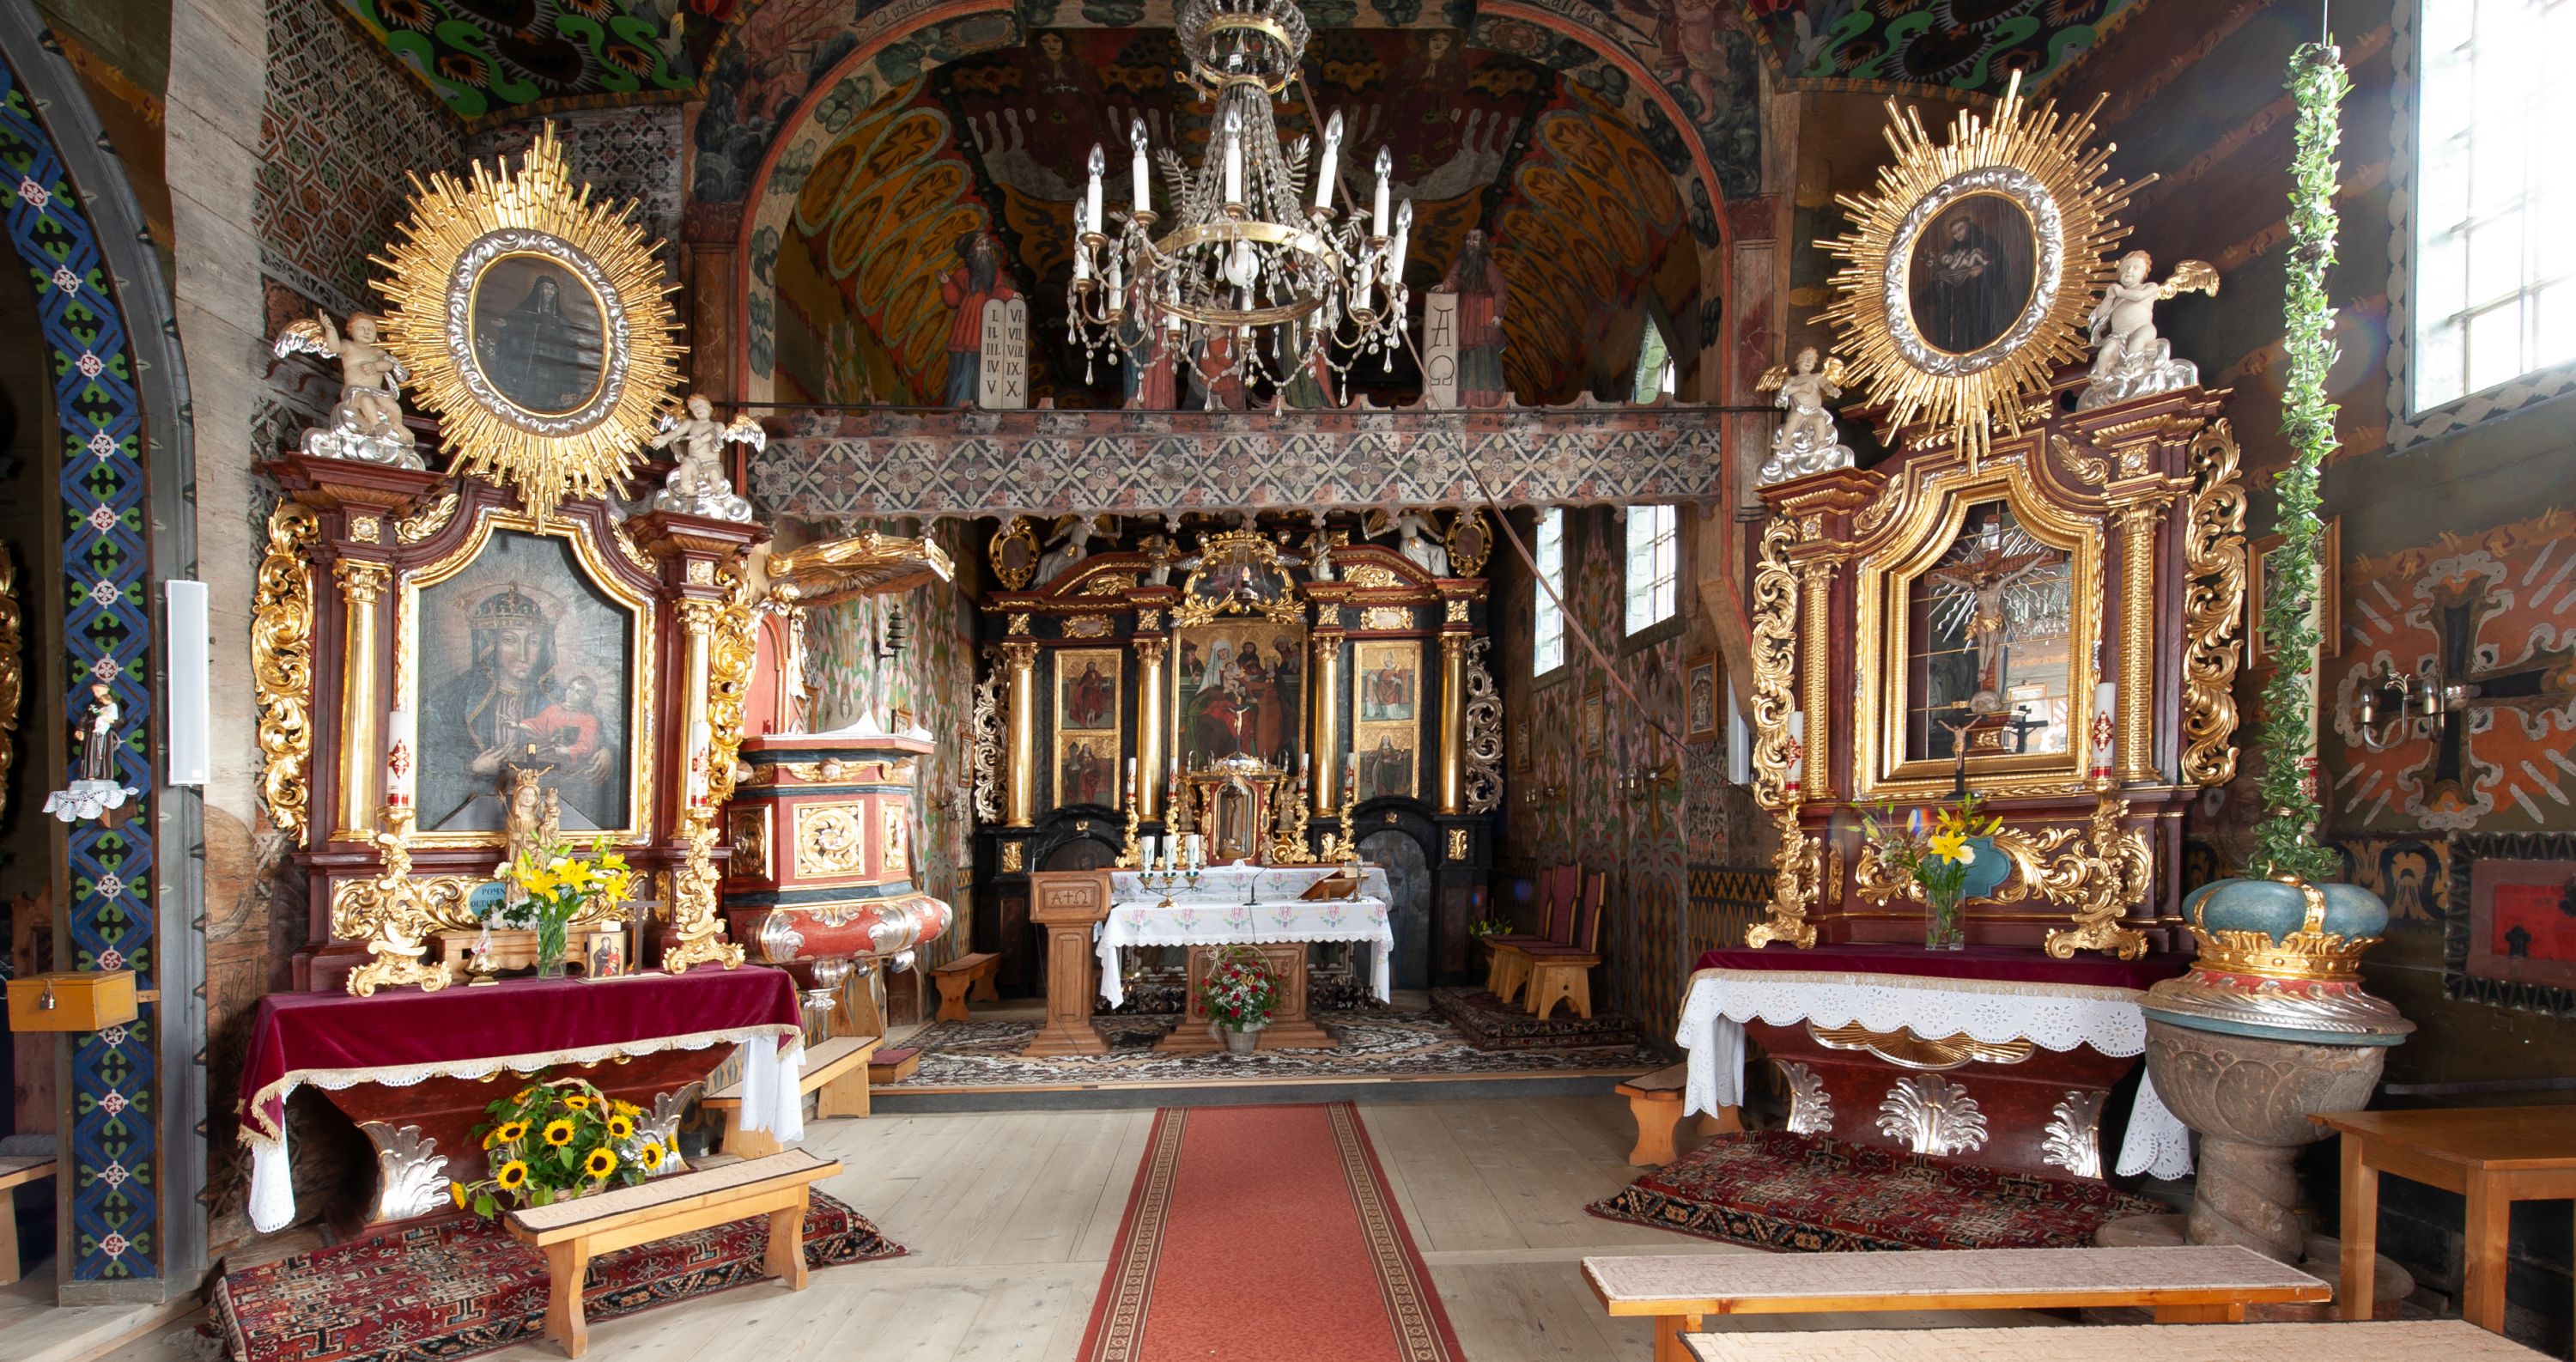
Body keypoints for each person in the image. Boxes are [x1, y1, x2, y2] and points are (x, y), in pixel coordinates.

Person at [478, 273, 597, 411]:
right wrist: (507, 324)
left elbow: (569, 338)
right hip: (530, 359)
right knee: (528, 385)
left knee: (550, 386)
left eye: (552, 289)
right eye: (546, 288)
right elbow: (516, 323)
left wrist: (577, 339)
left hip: (552, 361)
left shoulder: (561, 319)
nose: (549, 292)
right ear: (539, 290)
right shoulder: (525, 312)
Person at [940, 232, 1018, 406]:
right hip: (965, 328)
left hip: (987, 327)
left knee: (985, 370)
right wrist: (947, 283)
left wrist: (1012, 295)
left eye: (987, 245)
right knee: (962, 369)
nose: (985, 248)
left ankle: (981, 405)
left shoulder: (994, 273)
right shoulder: (962, 274)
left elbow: (998, 291)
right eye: (981, 245)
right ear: (971, 251)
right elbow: (953, 300)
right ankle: (958, 406)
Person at [1915, 213, 2008, 354]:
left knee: (1981, 335)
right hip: (1960, 305)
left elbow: (2002, 267)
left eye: (1960, 229)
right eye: (1954, 233)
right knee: (1962, 337)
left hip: (1982, 300)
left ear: (1969, 226)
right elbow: (1944, 276)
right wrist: (1941, 281)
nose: (1958, 234)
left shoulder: (1987, 242)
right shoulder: (1953, 251)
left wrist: (1984, 270)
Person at [1438, 229, 1510, 407]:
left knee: (1484, 353)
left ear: (1482, 243)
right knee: (1464, 355)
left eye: (1475, 240)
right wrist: (1445, 287)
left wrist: (1497, 314)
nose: (1471, 243)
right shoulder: (1462, 263)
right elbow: (1453, 279)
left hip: (1485, 311)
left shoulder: (1487, 264)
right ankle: (1465, 398)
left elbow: (1500, 289)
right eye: (1468, 239)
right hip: (1466, 314)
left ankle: (1488, 400)